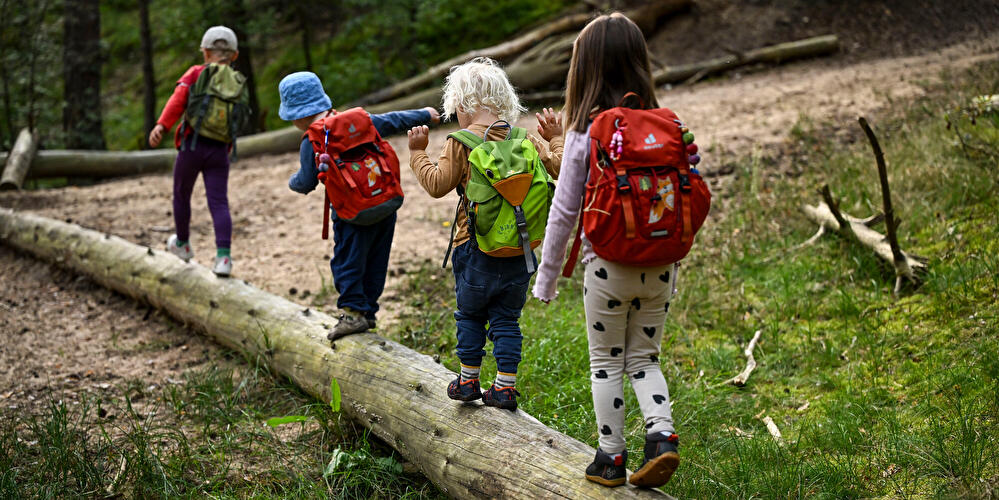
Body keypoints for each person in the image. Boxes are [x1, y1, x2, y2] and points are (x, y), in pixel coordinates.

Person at [532, 14, 688, 488]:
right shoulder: (665, 126)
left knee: (606, 362)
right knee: (645, 358)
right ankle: (662, 437)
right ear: (641, 64)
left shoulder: (586, 132)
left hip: (608, 269)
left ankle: (610, 458)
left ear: (583, 70)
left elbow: (564, 211)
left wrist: (547, 277)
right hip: (661, 265)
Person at [407, 57, 563, 411]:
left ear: (461, 105)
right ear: (504, 100)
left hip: (473, 248)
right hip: (521, 249)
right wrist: (555, 138)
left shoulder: (461, 141)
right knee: (507, 319)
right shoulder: (523, 139)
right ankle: (505, 388)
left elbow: (436, 184)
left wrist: (418, 154)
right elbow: (561, 169)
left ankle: (467, 381)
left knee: (471, 315)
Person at [279, 71, 439, 338]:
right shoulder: (358, 121)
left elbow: (306, 182)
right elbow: (394, 120)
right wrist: (424, 113)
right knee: (377, 258)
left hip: (352, 213)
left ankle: (353, 314)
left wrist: (292, 182)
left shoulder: (313, 139)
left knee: (348, 260)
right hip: (386, 201)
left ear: (295, 115)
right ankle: (369, 313)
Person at [149, 26, 245, 277]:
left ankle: (182, 243)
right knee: (219, 201)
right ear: (234, 56)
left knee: (182, 194)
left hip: (191, 148)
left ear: (205, 52)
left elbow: (178, 100)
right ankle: (223, 258)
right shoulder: (235, 81)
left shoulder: (195, 73)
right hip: (220, 152)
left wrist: (162, 125)